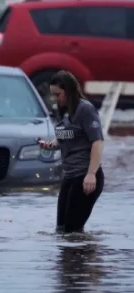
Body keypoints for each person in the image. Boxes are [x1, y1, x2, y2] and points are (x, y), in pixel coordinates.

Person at [38, 70, 104, 233]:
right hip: (69, 176)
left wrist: (91, 174)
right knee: (61, 230)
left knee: (73, 232)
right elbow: (63, 138)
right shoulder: (62, 110)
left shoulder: (85, 110)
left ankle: (87, 256)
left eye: (57, 94)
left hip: (85, 177)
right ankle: (72, 257)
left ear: (69, 91)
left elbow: (97, 142)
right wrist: (51, 145)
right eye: (52, 94)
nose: (54, 99)